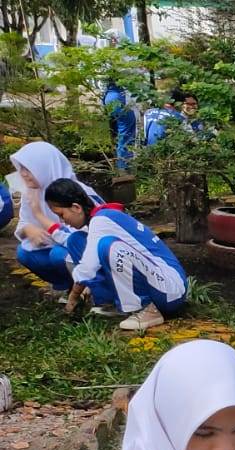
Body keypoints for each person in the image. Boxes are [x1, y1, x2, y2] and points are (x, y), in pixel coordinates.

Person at [43, 179, 186, 332]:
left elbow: (88, 267)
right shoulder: (99, 220)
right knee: (76, 240)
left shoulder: (101, 221)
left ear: (76, 208)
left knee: (108, 246)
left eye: (61, 214)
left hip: (169, 291)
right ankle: (112, 303)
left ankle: (147, 309)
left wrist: (73, 298)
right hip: (157, 283)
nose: (62, 221)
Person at [11, 142, 104, 291]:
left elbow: (78, 237)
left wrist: (39, 215)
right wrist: (28, 229)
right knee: (25, 252)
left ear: (43, 167)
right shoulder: (32, 192)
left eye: (27, 169)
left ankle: (91, 288)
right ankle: (64, 286)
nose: (22, 174)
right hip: (56, 241)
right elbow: (24, 221)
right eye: (20, 168)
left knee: (58, 255)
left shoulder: (75, 192)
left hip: (82, 248)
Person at [104, 80, 139, 171]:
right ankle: (125, 167)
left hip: (109, 95)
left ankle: (121, 164)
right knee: (128, 134)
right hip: (121, 97)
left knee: (119, 131)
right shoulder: (126, 69)